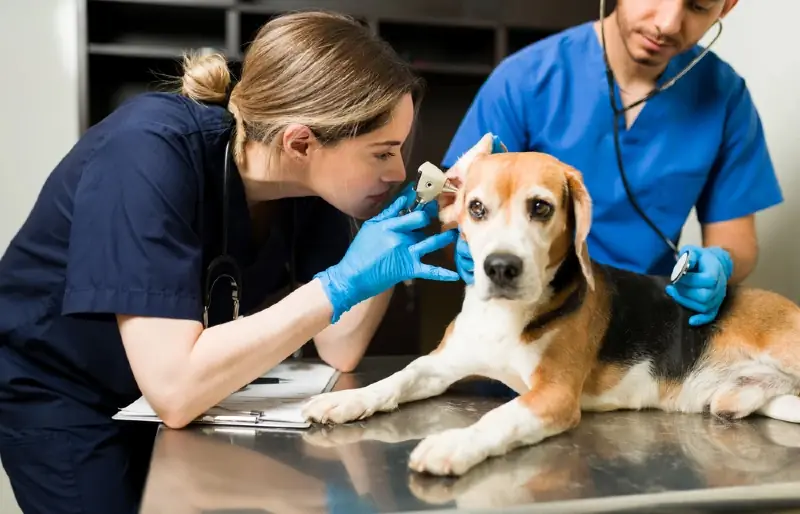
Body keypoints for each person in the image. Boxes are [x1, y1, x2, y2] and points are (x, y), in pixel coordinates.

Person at [0, 11, 459, 514]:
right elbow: (176, 388)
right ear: (300, 142)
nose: (398, 171)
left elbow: (340, 347)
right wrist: (339, 283)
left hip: (170, 392)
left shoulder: (305, 185)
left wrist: (388, 246)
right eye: (382, 153)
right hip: (62, 392)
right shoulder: (145, 153)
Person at [442, 0, 783, 326]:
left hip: (648, 322)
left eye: (698, 6)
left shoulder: (724, 97)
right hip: (532, 316)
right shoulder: (523, 80)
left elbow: (736, 239)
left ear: (726, 6)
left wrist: (720, 265)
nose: (667, 23)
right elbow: (457, 210)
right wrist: (468, 245)